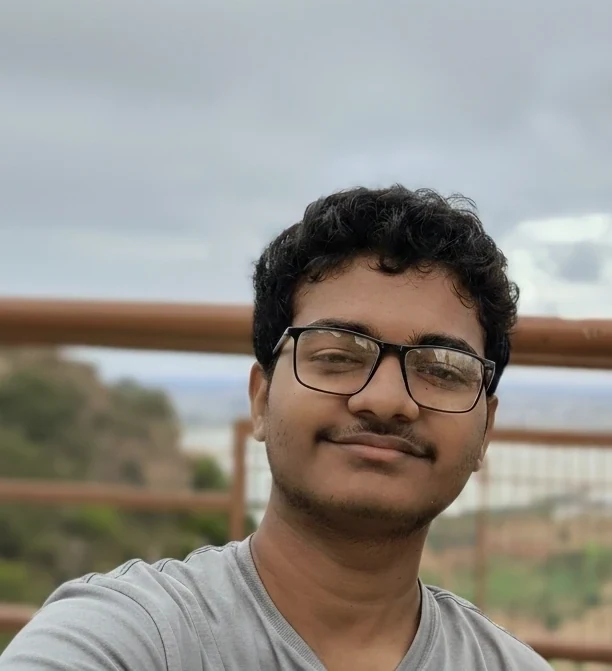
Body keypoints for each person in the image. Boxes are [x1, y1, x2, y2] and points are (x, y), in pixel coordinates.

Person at [0, 186, 553, 670]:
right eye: (337, 356)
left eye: (442, 369)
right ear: (261, 399)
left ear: (486, 430)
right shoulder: (130, 637)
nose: (386, 400)